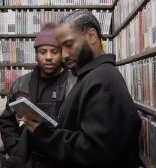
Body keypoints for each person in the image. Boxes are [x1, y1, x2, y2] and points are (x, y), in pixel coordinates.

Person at [21, 10, 142, 168]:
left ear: (91, 36)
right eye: (61, 48)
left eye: (69, 45)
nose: (64, 55)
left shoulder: (103, 81)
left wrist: (43, 135)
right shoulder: (90, 76)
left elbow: (94, 151)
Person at [0, 22, 76, 168]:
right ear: (36, 55)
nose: (48, 57)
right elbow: (6, 120)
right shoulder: (20, 84)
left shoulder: (75, 84)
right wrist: (15, 149)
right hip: (26, 161)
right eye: (42, 52)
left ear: (62, 54)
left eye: (54, 51)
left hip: (60, 160)